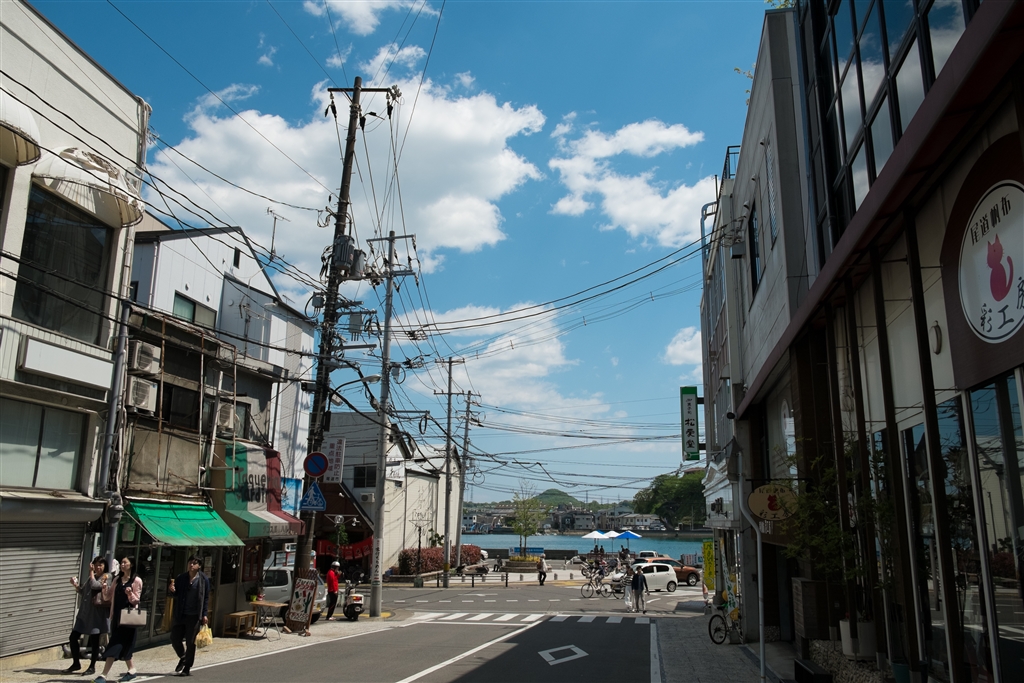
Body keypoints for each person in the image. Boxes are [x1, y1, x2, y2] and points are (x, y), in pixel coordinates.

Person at [92, 557, 143, 683]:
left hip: (129, 619)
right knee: (125, 646)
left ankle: (103, 675)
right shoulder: (117, 579)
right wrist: (104, 588)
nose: (122, 564)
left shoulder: (137, 580)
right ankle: (132, 670)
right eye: (121, 562)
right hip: (116, 617)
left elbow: (136, 600)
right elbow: (107, 597)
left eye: (125, 562)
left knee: (114, 645)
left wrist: (130, 594)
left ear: (131, 565)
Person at [65, 557, 111, 675]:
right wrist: (75, 585)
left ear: (105, 566)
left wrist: (90, 572)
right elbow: (83, 592)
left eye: (100, 565)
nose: (98, 567)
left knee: (94, 640)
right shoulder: (92, 576)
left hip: (96, 614)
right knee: (73, 637)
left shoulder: (107, 577)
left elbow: (95, 586)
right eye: (96, 565)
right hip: (85, 613)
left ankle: (92, 667)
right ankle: (76, 663)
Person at [168, 556, 210, 677]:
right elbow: (175, 594)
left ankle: (187, 667)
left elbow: (206, 598)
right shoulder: (181, 578)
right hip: (181, 613)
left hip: (194, 615)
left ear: (199, 566)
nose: (191, 565)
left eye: (194, 563)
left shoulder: (203, 580)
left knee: (191, 642)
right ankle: (183, 656)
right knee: (175, 638)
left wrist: (204, 614)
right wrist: (172, 590)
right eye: (190, 562)